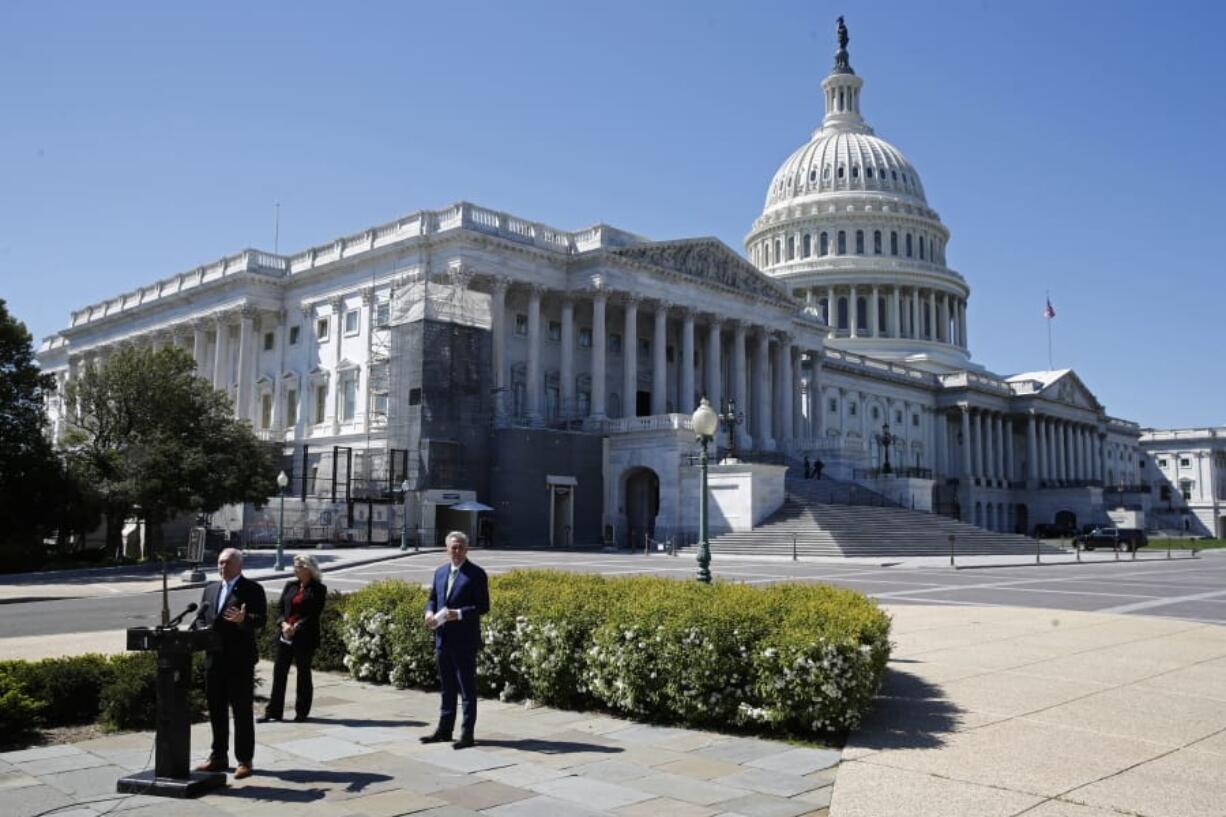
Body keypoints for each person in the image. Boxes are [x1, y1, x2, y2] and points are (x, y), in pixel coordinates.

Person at [193, 548, 267, 780]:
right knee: (216, 709)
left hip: (239, 661)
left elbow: (261, 620)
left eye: (226, 563)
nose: (221, 567)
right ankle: (218, 756)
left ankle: (244, 760)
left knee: (242, 711)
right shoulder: (211, 589)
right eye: (219, 562)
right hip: (214, 660)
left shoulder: (252, 589)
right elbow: (202, 619)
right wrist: (196, 631)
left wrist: (245, 619)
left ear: (238, 565)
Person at [420, 531, 489, 750]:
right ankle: (444, 730)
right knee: (447, 687)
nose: (456, 551)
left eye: (460, 547)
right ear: (446, 549)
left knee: (466, 689)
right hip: (443, 638)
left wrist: (458, 613)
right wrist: (429, 613)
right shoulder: (440, 572)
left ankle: (467, 734)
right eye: (453, 547)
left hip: (464, 640)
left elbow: (483, 607)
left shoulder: (476, 574)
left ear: (466, 549)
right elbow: (432, 599)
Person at [260, 554, 327, 724]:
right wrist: (283, 625)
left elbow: (314, 614)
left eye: (298, 566)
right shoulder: (290, 586)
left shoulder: (318, 589)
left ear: (308, 568)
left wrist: (296, 627)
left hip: (304, 637)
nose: (294, 569)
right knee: (279, 673)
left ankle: (301, 712)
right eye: (294, 566)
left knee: (303, 674)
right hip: (285, 635)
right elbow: (281, 609)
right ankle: (274, 711)